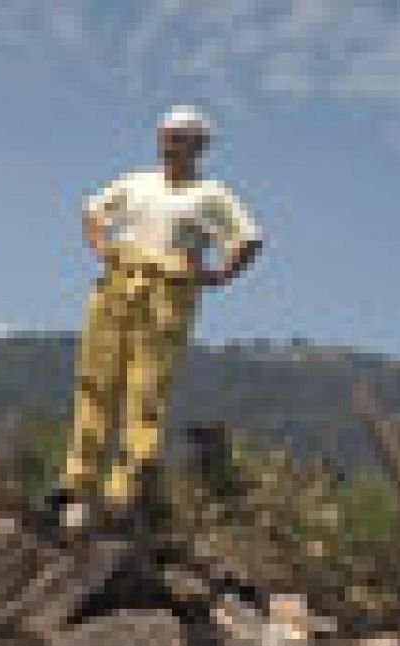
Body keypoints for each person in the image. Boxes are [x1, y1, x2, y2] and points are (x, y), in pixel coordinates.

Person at [46, 104, 264, 534]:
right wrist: (102, 246)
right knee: (95, 380)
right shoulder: (136, 182)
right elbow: (92, 210)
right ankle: (76, 482)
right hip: (120, 280)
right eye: (166, 135)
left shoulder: (211, 194)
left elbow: (249, 237)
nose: (171, 143)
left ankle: (124, 490)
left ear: (200, 145)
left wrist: (219, 275)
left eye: (181, 137)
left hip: (169, 289)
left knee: (146, 390)